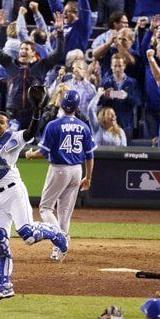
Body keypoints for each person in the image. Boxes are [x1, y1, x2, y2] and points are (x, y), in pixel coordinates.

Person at [0, 58, 68, 300]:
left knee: (27, 235)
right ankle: (5, 286)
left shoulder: (13, 139)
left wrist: (37, 112)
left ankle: (55, 233)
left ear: (7, 127)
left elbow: (30, 132)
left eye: (2, 122)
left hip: (12, 191)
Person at [25, 90, 95, 261]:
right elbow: (90, 155)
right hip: (77, 170)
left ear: (62, 104)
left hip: (59, 169)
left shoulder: (54, 125)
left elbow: (43, 152)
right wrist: (89, 177)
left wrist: (30, 155)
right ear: (77, 107)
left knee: (46, 208)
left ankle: (61, 239)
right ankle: (59, 250)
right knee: (64, 211)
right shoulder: (84, 126)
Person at [0, 8, 65, 128]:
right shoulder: (9, 63)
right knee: (12, 142)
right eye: (21, 48)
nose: (23, 51)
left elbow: (58, 53)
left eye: (26, 49)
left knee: (33, 142)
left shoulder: (41, 66)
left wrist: (60, 32)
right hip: (13, 113)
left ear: (33, 53)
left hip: (33, 114)